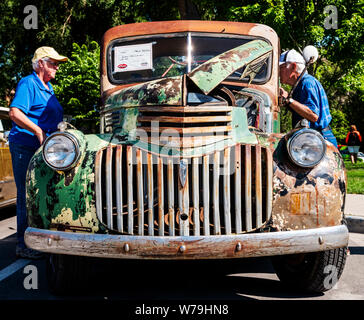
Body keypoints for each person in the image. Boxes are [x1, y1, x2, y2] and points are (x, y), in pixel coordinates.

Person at [9, 46, 68, 259]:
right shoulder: (29, 83)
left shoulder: (48, 88)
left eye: (58, 64)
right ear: (40, 63)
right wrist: (37, 130)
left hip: (44, 149)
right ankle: (23, 244)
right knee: (27, 194)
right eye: (53, 63)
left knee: (43, 192)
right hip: (25, 146)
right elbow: (15, 113)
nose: (57, 68)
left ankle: (41, 236)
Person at [279, 49, 338, 148]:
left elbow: (313, 115)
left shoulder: (307, 83)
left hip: (319, 139)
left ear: (293, 66)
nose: (278, 72)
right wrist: (286, 101)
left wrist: (289, 100)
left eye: (281, 67)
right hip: (314, 137)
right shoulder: (300, 84)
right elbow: (301, 112)